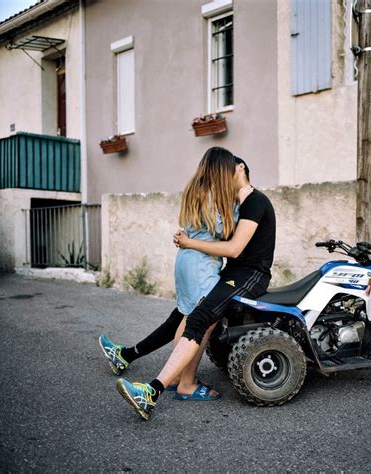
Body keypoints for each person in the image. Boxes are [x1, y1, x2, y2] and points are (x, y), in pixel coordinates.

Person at [115, 153, 276, 420]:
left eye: (227, 172)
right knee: (190, 318)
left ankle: (153, 391)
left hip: (251, 275)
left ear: (241, 168)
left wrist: (190, 242)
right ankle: (175, 379)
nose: (223, 178)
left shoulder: (255, 201)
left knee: (199, 318)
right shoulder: (235, 202)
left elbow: (234, 248)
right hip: (232, 273)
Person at [99, 147, 242, 400]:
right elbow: (226, 233)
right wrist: (239, 205)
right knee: (200, 323)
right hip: (201, 265)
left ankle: (171, 374)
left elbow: (193, 228)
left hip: (185, 261)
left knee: (184, 318)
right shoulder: (217, 198)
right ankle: (184, 382)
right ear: (222, 169)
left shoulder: (194, 190)